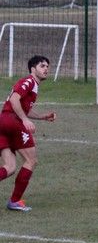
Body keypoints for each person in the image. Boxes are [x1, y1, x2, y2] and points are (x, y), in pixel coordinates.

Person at [0, 55, 56, 212]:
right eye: (42, 66)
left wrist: (42, 117)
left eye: (47, 66)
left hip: (4, 121)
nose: (46, 69)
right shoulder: (29, 81)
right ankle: (14, 201)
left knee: (10, 167)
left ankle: (15, 201)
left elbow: (23, 107)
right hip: (13, 122)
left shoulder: (33, 85)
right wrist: (24, 120)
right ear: (33, 69)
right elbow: (14, 99)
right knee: (31, 161)